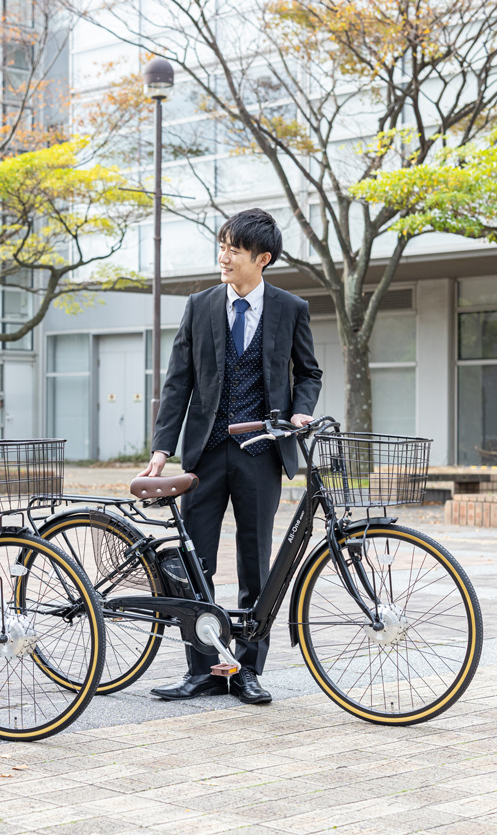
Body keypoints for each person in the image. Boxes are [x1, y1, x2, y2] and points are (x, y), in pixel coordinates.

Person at [139, 208, 322, 705]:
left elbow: (309, 373)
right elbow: (178, 382)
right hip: (204, 453)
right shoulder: (199, 306)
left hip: (261, 454)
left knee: (254, 563)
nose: (223, 256)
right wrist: (162, 448)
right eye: (221, 246)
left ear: (261, 259)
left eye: (234, 249)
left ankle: (246, 669)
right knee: (193, 562)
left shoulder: (290, 308)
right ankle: (201, 669)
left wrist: (301, 413)